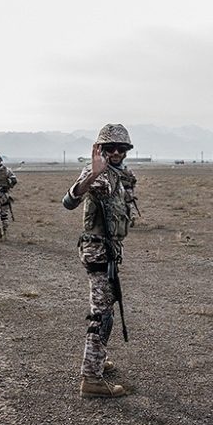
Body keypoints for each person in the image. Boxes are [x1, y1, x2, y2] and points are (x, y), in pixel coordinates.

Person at [62, 123, 137, 399]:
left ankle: (97, 358)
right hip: (97, 252)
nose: (116, 152)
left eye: (121, 148)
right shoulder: (98, 173)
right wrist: (92, 175)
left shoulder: (119, 175)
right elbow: (69, 201)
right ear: (100, 150)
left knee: (105, 307)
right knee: (102, 315)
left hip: (107, 251)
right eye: (110, 148)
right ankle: (91, 377)